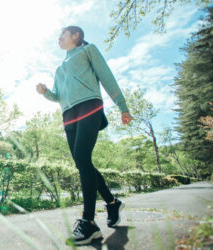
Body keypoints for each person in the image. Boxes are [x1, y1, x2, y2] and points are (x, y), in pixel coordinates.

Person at [36, 26, 133, 245]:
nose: (58, 37)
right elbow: (57, 96)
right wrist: (45, 93)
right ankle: (111, 202)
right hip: (68, 115)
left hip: (89, 106)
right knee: (83, 162)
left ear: (76, 36)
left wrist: (123, 107)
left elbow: (106, 76)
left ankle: (89, 222)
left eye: (63, 34)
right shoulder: (59, 69)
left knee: (82, 158)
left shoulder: (88, 51)